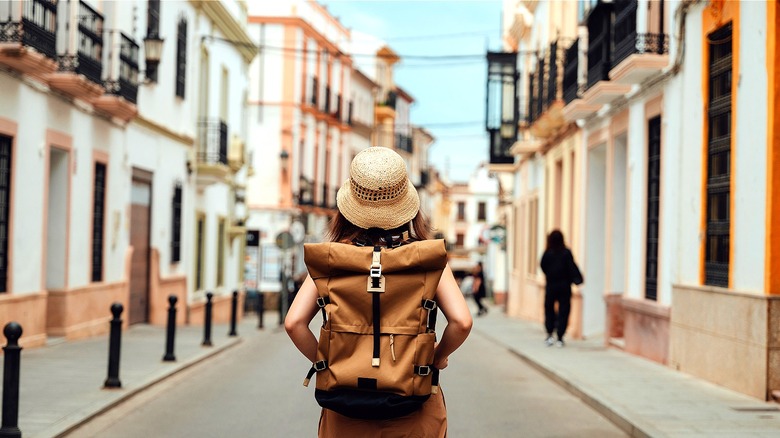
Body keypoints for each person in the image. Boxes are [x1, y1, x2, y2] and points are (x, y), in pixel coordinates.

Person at [284, 146, 473, 437]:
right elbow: (461, 322)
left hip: (345, 411)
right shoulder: (427, 259)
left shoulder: (333, 260)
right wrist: (435, 358)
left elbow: (294, 323)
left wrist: (328, 364)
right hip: (414, 405)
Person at [540, 230, 583, 348]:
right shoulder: (566, 253)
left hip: (551, 285)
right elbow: (572, 266)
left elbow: (542, 266)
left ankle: (549, 334)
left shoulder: (547, 253)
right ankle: (560, 336)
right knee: (564, 310)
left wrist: (550, 275)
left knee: (549, 309)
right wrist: (576, 278)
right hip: (564, 286)